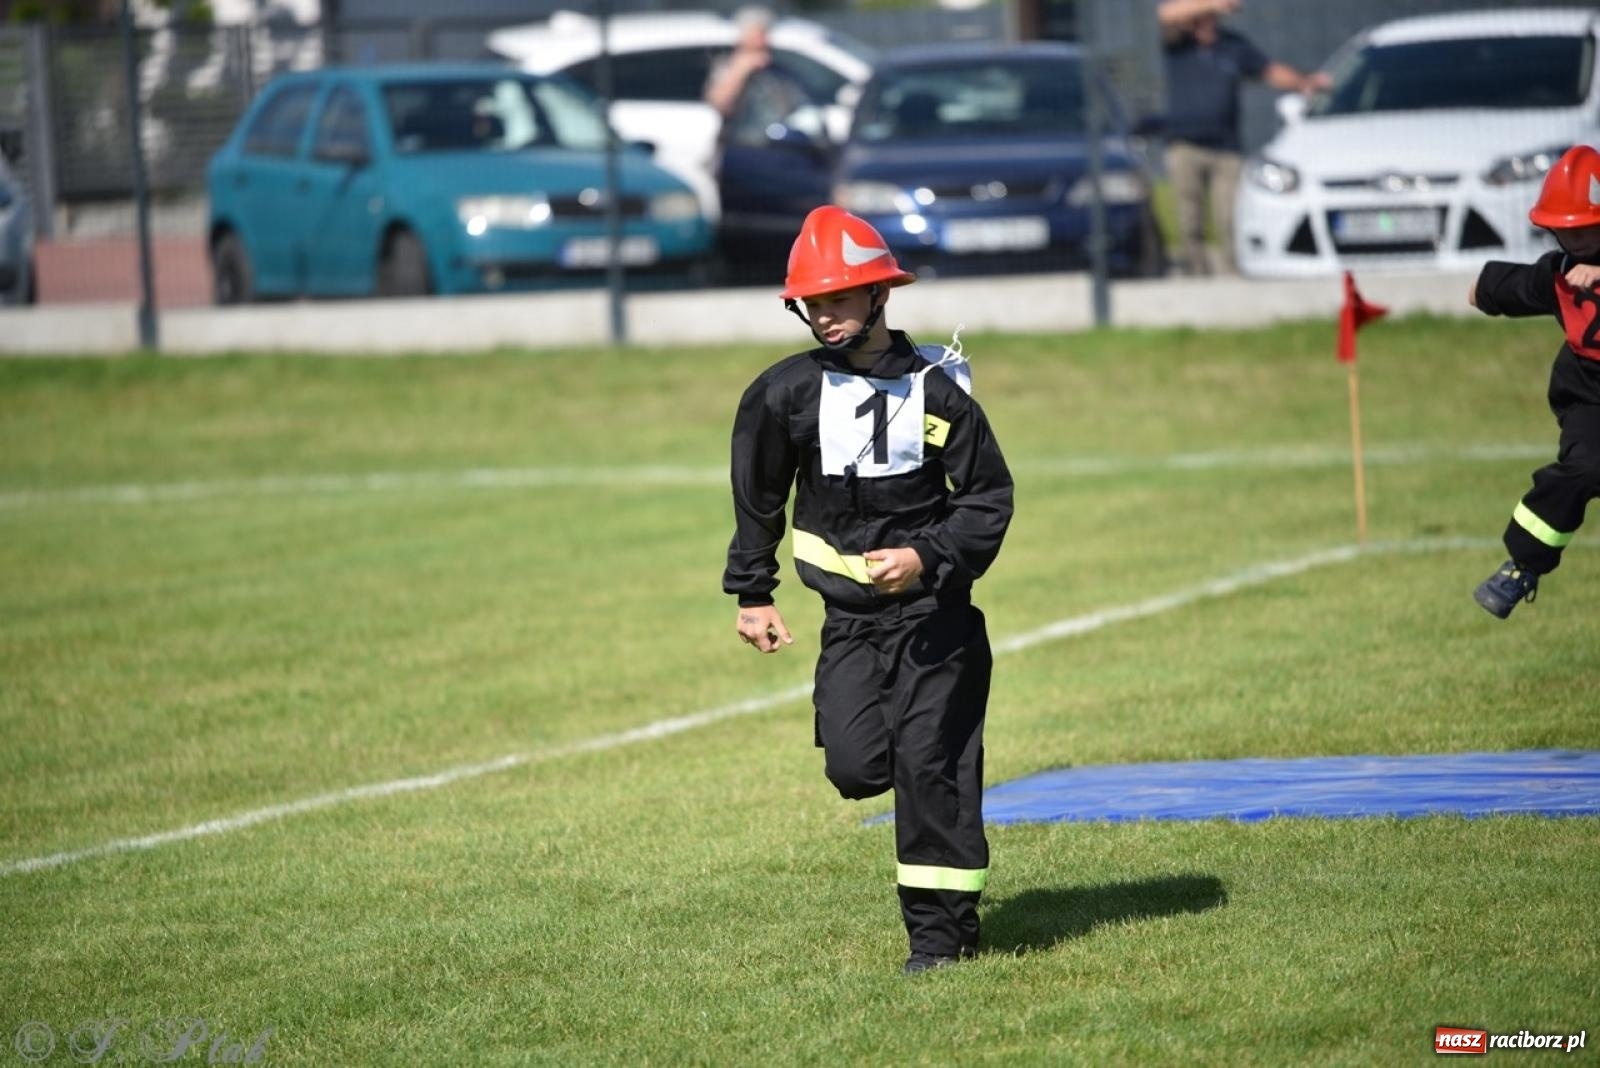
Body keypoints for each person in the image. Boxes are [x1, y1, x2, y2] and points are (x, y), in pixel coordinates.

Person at [724, 206, 1014, 975]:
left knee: (929, 764)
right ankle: (930, 835)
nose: (824, 316)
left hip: (935, 621)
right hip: (848, 625)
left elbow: (987, 498)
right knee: (856, 767)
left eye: (840, 300)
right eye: (812, 304)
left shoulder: (937, 394)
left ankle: (941, 936)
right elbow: (758, 497)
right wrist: (752, 593)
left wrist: (926, 557)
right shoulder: (784, 395)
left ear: (881, 295)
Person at [1469, 144, 1600, 619]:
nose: (1577, 242)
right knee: (1586, 469)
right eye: (1568, 232)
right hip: (1590, 396)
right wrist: (1483, 291)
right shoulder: (1559, 275)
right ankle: (1522, 566)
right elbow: (1498, 288)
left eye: (1586, 230)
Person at [1156, 0, 1329, 275]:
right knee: (1190, 220)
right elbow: (1166, 13)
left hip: (1225, 147)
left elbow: (1270, 71)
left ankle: (1232, 273)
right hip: (1185, 145)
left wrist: (1305, 83)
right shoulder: (1180, 43)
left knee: (1229, 217)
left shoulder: (1232, 45)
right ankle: (1195, 275)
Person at [705, 6, 776, 119]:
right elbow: (718, 102)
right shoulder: (728, 63)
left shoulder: (774, 62)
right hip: (741, 131)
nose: (765, 41)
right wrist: (742, 68)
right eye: (760, 34)